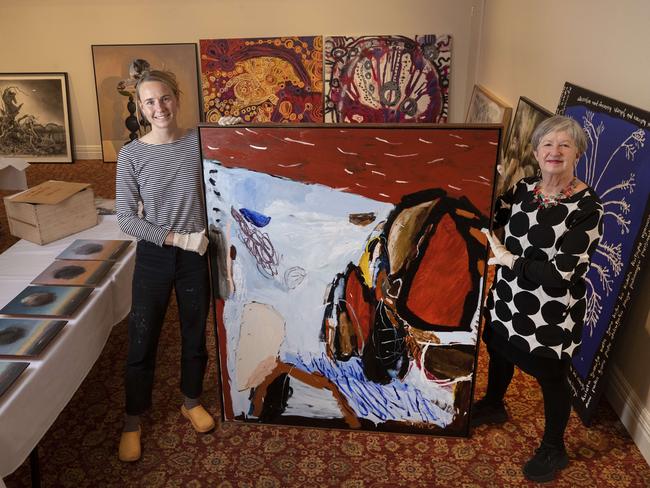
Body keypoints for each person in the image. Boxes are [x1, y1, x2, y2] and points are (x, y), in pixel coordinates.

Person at [474, 115, 604, 483]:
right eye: (547, 144)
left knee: (550, 377)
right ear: (535, 152)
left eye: (564, 144)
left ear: (577, 152)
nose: (555, 151)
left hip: (550, 312)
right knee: (498, 349)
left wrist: (510, 260)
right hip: (508, 297)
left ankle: (554, 447)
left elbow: (562, 274)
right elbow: (492, 217)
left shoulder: (587, 209)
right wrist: (484, 180)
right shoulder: (525, 188)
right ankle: (494, 403)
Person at [115, 70, 227, 462]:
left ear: (177, 98)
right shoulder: (131, 155)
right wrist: (178, 238)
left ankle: (191, 400)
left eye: (164, 98)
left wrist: (231, 132)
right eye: (149, 101)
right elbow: (126, 218)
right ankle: (133, 420)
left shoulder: (199, 142)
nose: (158, 107)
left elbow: (230, 167)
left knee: (195, 333)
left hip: (197, 257)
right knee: (142, 337)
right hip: (157, 254)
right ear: (141, 108)